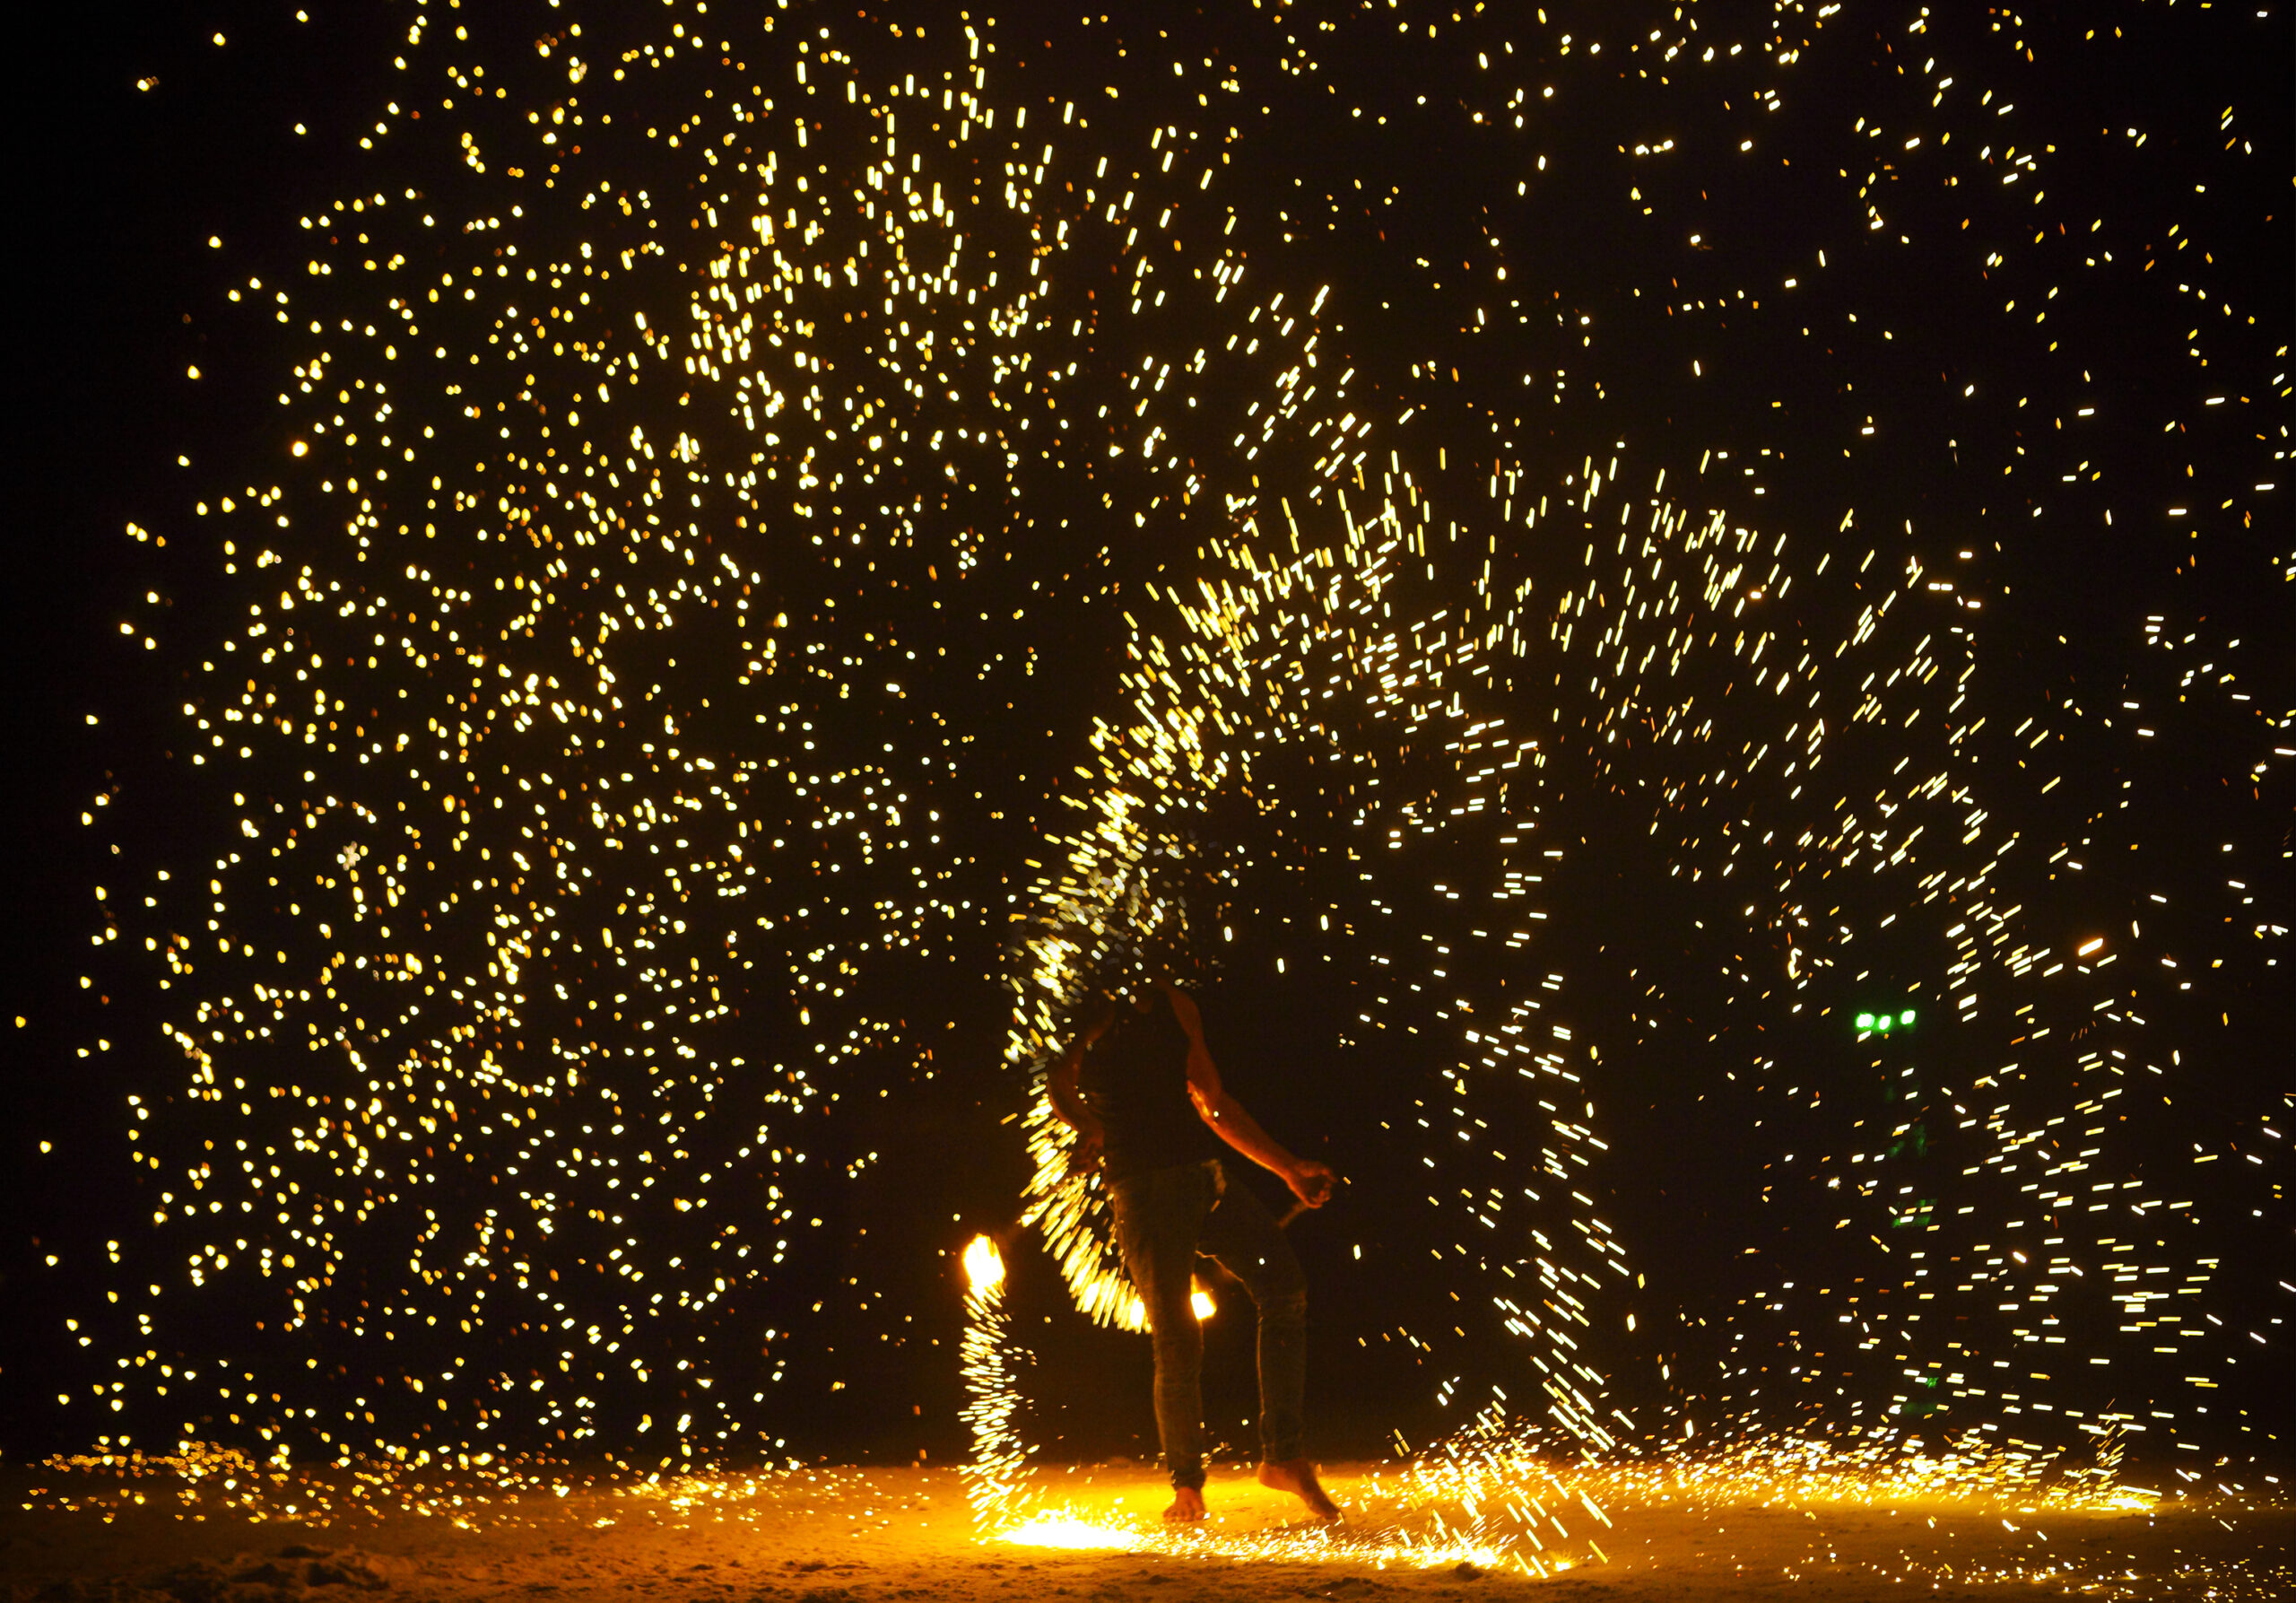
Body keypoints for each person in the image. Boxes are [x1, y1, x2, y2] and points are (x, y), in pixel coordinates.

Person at [1048, 973, 1342, 1524]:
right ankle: (1187, 1485)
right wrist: (1088, 1125)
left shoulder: (1176, 1007)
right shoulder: (1086, 1006)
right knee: (1177, 1336)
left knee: (1284, 1288)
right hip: (1143, 1193)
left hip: (1204, 1184)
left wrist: (1288, 1168)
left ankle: (1282, 1456)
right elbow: (1059, 1082)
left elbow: (1213, 1104)